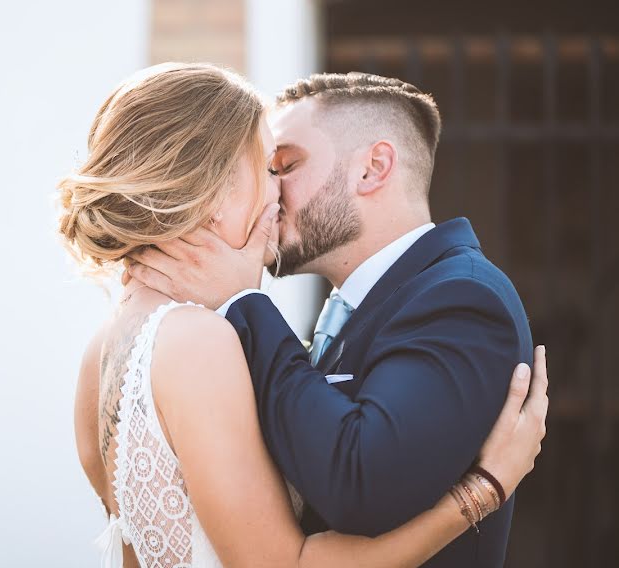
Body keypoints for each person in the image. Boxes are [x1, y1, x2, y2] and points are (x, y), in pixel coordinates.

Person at [62, 63, 548, 567]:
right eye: (265, 168)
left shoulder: (463, 297)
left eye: (286, 166)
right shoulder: (200, 340)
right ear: (212, 189)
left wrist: (242, 301)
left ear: (373, 168)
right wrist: (483, 491)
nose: (275, 193)